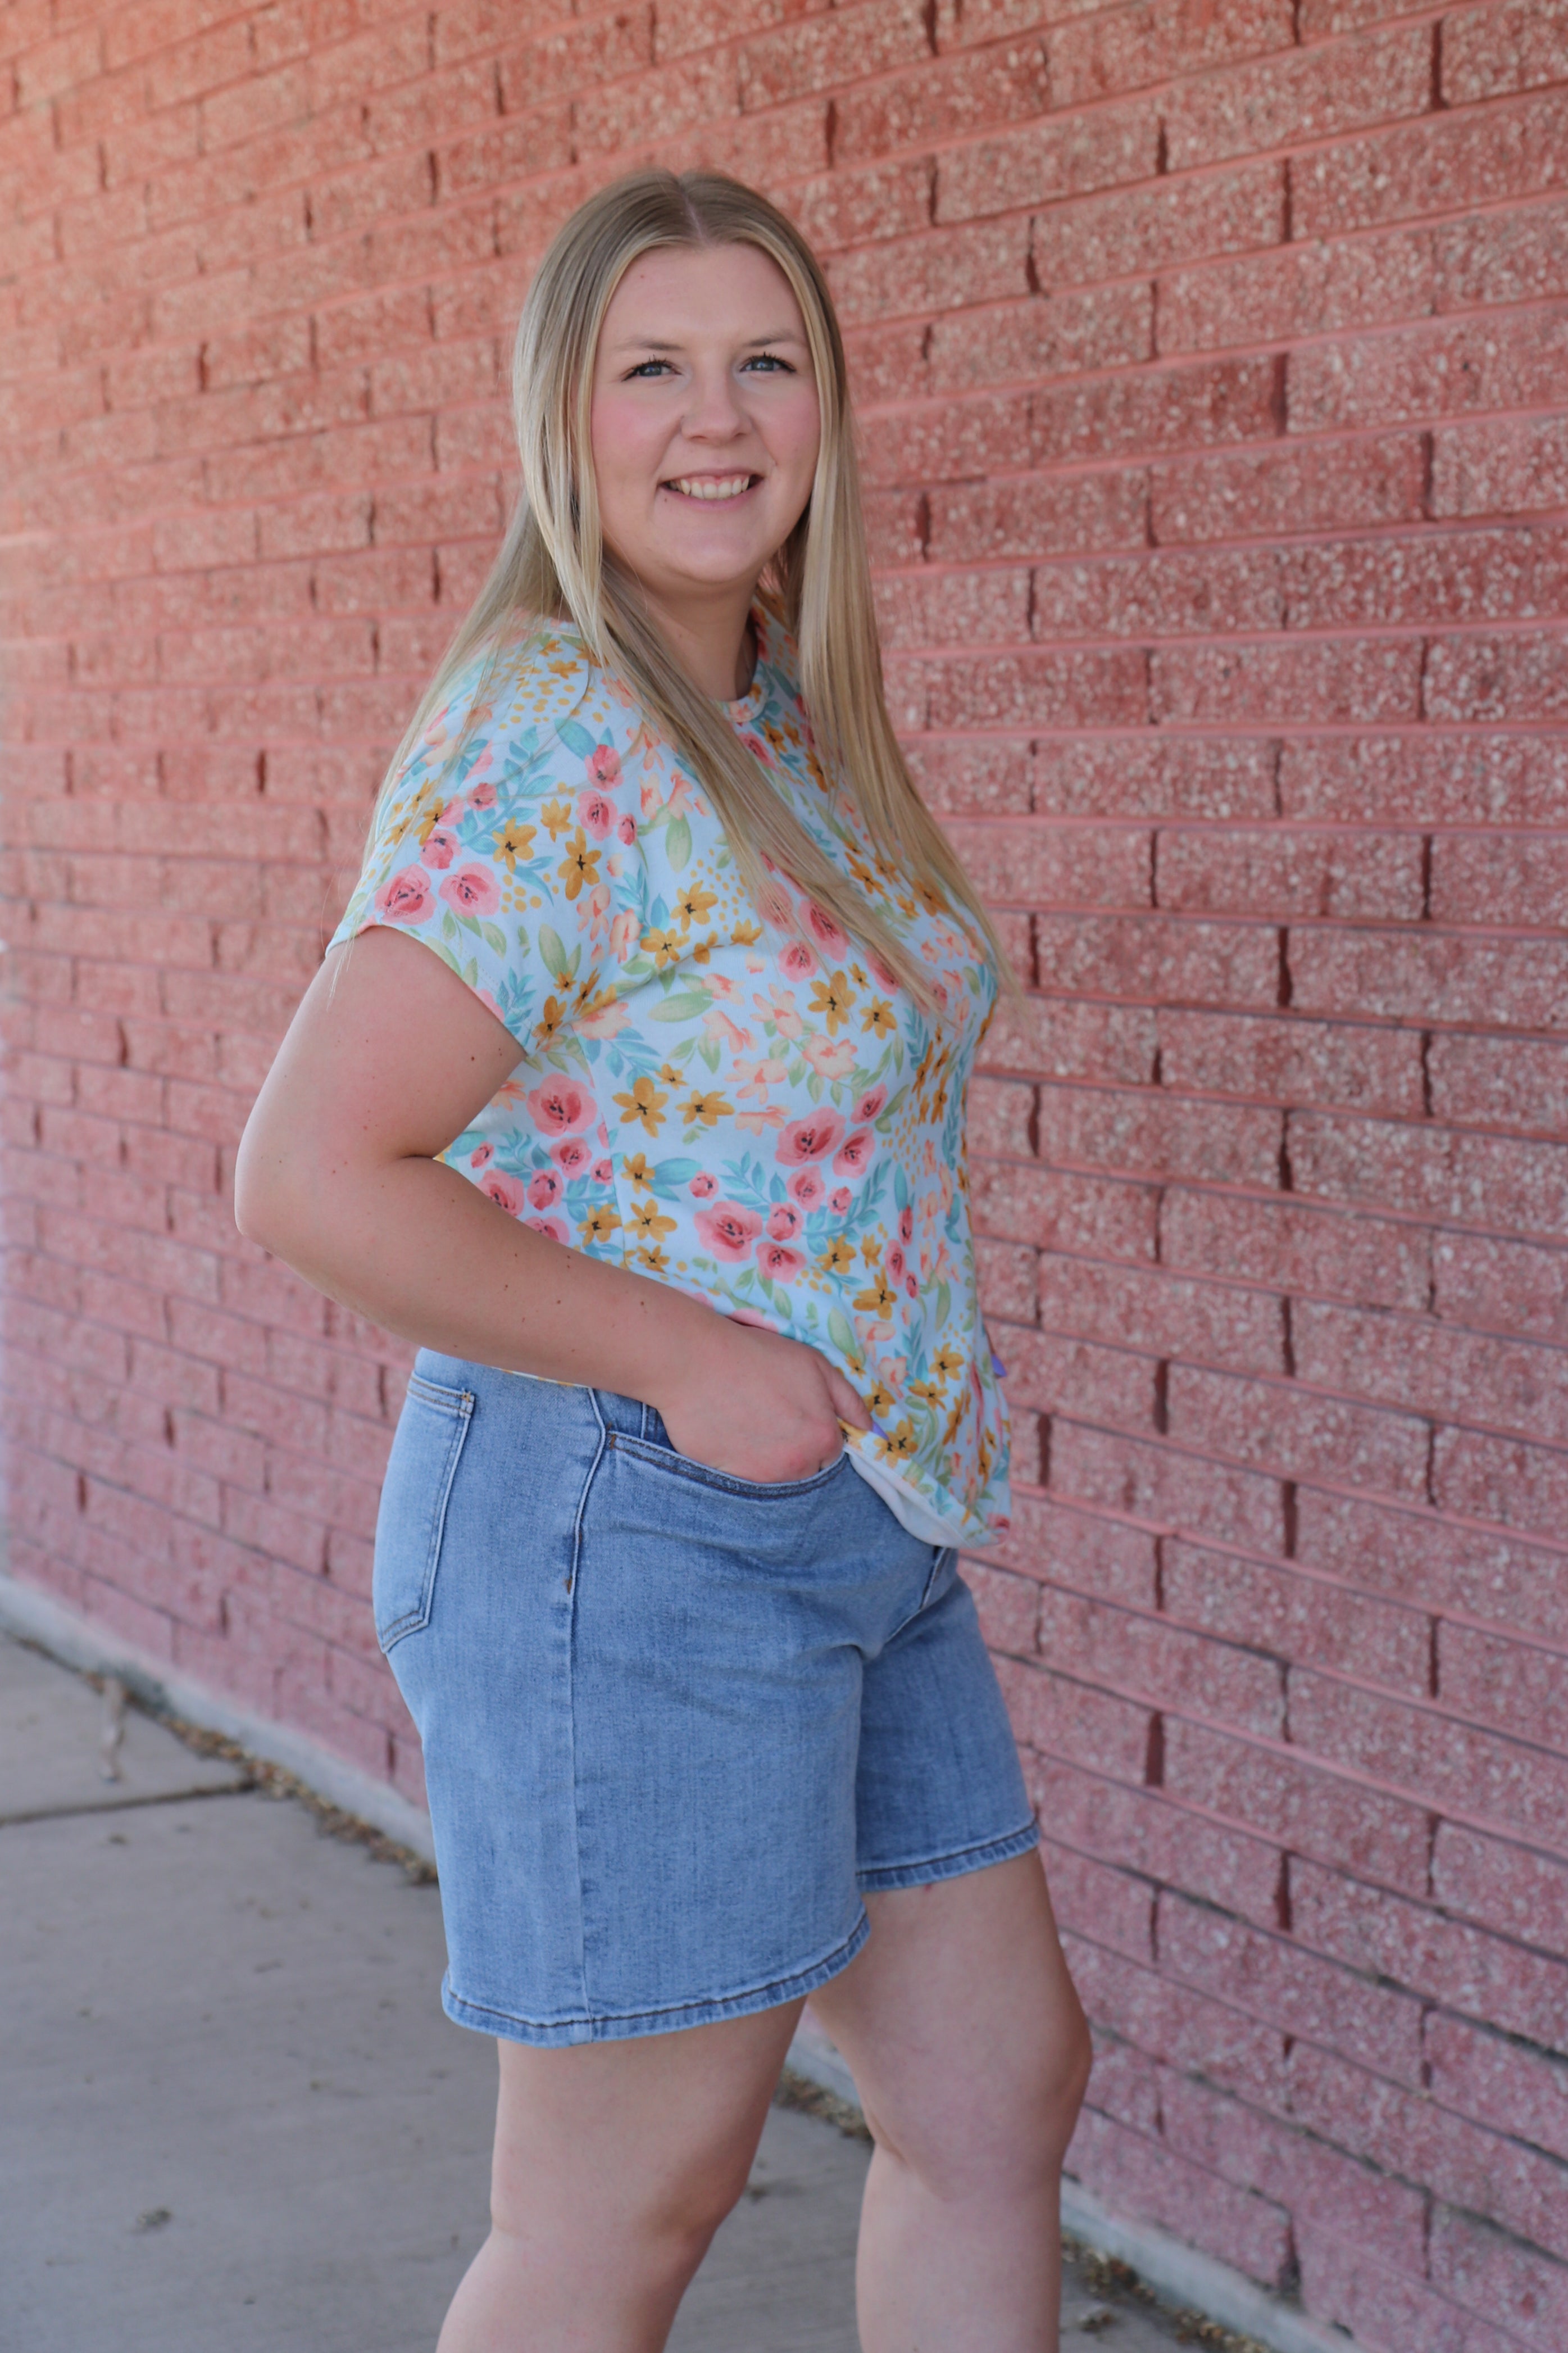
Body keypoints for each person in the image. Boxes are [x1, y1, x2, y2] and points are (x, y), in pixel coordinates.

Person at [236, 166, 1090, 2353]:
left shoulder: (779, 728)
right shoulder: (558, 726)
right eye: (651, 368)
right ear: (564, 418)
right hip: (624, 1533)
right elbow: (319, 1172)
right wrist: (692, 1353)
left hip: (856, 1525)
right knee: (623, 2211)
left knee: (995, 2099)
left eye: (762, 360)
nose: (713, 417)